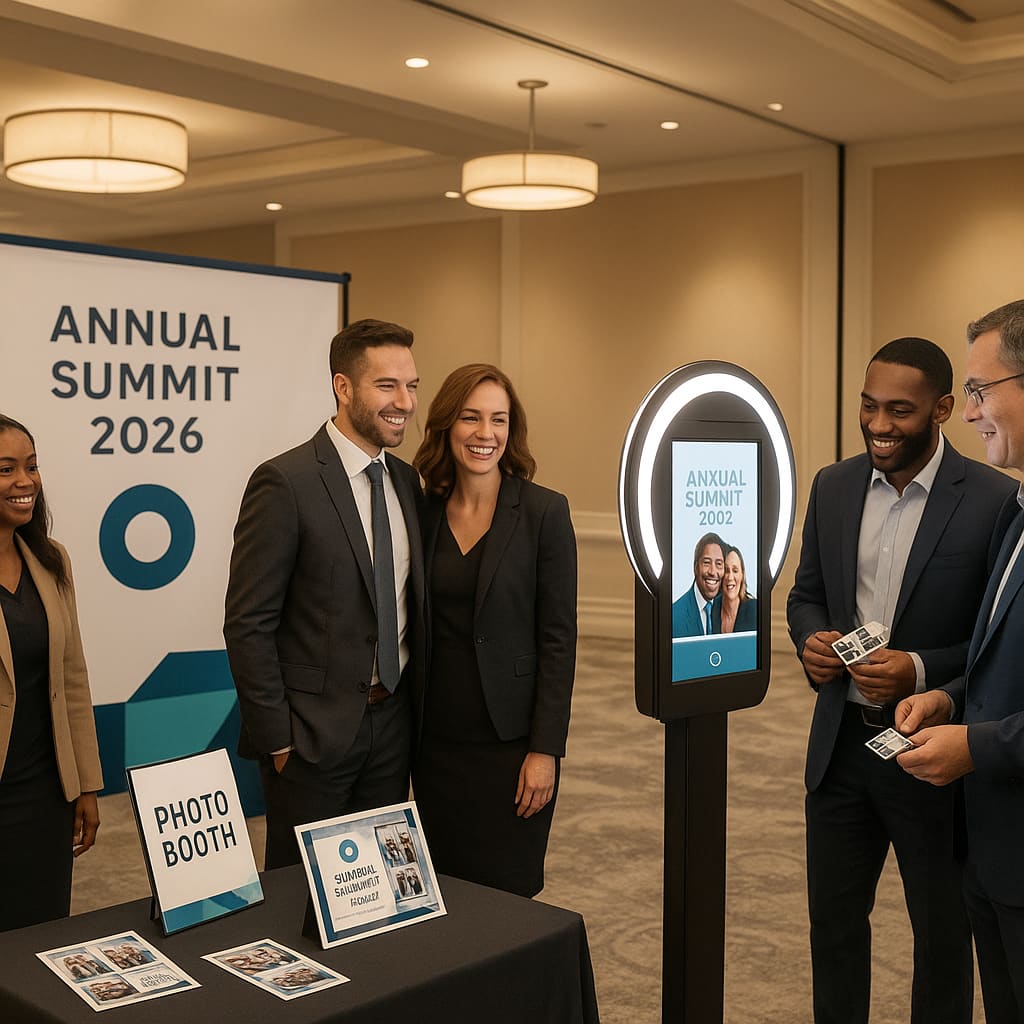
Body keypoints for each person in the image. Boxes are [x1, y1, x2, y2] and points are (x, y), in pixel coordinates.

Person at [786, 337, 1017, 1024]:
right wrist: (811, 641)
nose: (879, 425)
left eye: (899, 410)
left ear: (942, 409)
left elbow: (992, 642)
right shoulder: (832, 486)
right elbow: (806, 596)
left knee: (942, 936)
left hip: (934, 754)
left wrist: (917, 668)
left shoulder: (993, 500)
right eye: (868, 406)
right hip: (840, 750)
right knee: (832, 928)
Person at [224, 319, 426, 869]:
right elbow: (247, 624)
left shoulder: (407, 482)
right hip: (310, 742)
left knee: (381, 891)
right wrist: (279, 742)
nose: (405, 402)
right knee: (299, 898)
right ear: (343, 387)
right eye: (387, 385)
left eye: (411, 386)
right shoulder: (284, 482)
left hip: (392, 729)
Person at [896, 300, 1024, 1024]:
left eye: (979, 390)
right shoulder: (1016, 512)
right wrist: (950, 698)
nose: (968, 412)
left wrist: (975, 745)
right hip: (993, 853)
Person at [411, 363, 577, 898]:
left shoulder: (544, 512)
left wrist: (545, 750)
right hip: (434, 748)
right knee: (441, 896)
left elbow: (558, 642)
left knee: (507, 902)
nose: (485, 433)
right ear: (447, 424)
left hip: (512, 750)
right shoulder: (421, 511)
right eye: (471, 417)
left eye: (498, 420)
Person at [0, 414, 102, 931]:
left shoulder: (51, 559)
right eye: (5, 469)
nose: (25, 482)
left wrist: (86, 785)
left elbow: (73, 679)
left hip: (45, 796)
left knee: (42, 937)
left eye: (32, 466)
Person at [671, 532, 724, 637]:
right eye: (706, 563)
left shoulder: (727, 608)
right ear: (696, 568)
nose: (713, 572)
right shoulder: (675, 616)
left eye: (719, 564)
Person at [720, 544, 756, 633]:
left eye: (735, 571)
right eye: (726, 571)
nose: (730, 577)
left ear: (742, 575)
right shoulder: (711, 610)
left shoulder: (754, 609)